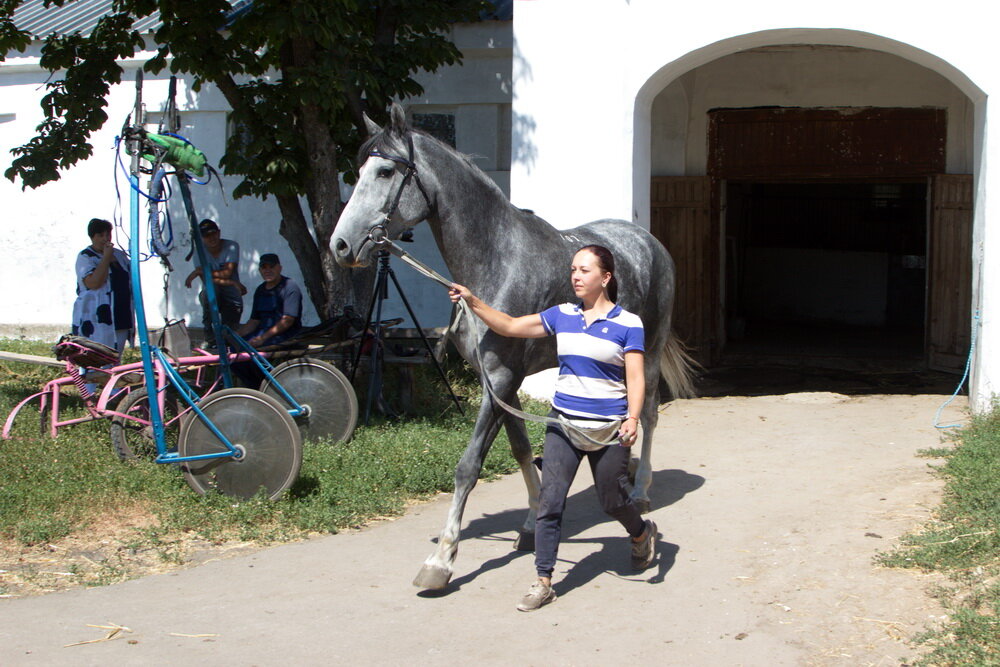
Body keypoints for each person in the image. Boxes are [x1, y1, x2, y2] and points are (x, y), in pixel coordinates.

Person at [448, 244, 657, 612]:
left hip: (608, 430)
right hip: (564, 426)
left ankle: (641, 534)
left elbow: (636, 377)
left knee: (612, 500)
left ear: (605, 277)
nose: (575, 276)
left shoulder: (628, 324)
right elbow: (511, 326)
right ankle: (543, 580)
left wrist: (633, 418)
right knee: (550, 502)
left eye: (584, 270)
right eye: (573, 269)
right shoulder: (562, 315)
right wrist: (473, 300)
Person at [72, 218, 133, 354]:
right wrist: (106, 258)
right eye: (101, 235)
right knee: (96, 357)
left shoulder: (119, 255)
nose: (105, 239)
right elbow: (93, 283)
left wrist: (113, 259)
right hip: (96, 317)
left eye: (108, 235)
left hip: (120, 314)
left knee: (115, 356)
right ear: (92, 237)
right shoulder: (85, 257)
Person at [184, 218, 244, 340]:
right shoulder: (199, 252)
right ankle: (208, 332)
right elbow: (207, 281)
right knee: (211, 292)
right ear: (201, 238)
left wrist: (200, 271)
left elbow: (227, 273)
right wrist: (231, 282)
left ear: (219, 232)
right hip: (213, 293)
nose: (212, 238)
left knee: (230, 333)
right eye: (206, 236)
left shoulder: (231, 246)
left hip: (232, 295)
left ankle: (227, 342)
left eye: (214, 233)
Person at [235, 253, 303, 348]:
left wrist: (262, 338)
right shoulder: (260, 290)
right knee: (235, 347)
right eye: (264, 268)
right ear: (260, 270)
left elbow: (288, 321)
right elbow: (254, 321)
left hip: (285, 336)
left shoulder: (290, 287)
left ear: (279, 268)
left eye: (271, 267)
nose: (267, 271)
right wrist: (236, 336)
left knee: (249, 350)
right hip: (261, 332)